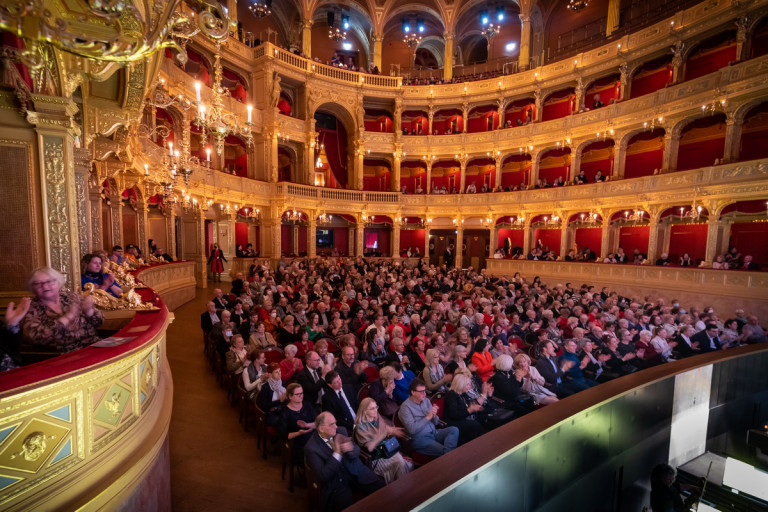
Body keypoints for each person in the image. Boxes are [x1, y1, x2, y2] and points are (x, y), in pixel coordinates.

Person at [304, 411, 384, 512]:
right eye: (332, 424)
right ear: (321, 428)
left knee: (383, 489)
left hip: (356, 472)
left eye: (335, 423)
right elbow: (323, 475)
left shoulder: (341, 430)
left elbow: (357, 450)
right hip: (337, 484)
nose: (336, 427)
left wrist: (351, 448)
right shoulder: (311, 448)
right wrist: (337, 452)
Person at [22, 267, 103, 355]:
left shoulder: (72, 297)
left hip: (94, 347)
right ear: (32, 287)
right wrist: (68, 317)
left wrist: (89, 311)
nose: (44, 286)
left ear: (58, 282)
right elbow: (37, 337)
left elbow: (99, 322)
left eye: (49, 282)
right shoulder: (30, 307)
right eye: (38, 283)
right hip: (62, 355)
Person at [353, 397, 413, 483]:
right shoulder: (360, 427)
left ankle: (404, 486)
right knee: (401, 462)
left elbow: (386, 429)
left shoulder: (377, 417)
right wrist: (384, 434)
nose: (375, 410)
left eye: (376, 407)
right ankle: (403, 487)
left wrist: (392, 430)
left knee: (404, 461)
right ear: (365, 411)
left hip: (386, 451)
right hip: (376, 458)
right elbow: (370, 447)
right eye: (372, 408)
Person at [397, 378, 459, 457]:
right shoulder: (405, 407)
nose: (424, 394)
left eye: (425, 391)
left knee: (454, 430)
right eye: (421, 392)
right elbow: (412, 429)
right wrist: (428, 417)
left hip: (434, 433)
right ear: (413, 392)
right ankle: (450, 456)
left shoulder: (426, 401)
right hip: (420, 438)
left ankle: (448, 455)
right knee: (445, 449)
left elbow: (436, 422)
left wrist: (434, 415)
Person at [443, 372, 488, 445]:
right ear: (461, 385)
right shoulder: (451, 395)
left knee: (483, 416)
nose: (470, 387)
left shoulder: (463, 394)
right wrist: (470, 410)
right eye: (468, 384)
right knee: (475, 425)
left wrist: (474, 408)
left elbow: (468, 408)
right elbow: (454, 415)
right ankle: (473, 445)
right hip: (453, 422)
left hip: (462, 418)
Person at [279, 383, 317, 466]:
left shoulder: (307, 405)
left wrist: (307, 425)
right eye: (297, 394)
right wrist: (298, 433)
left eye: (302, 393)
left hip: (314, 436)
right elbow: (283, 435)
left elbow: (318, 422)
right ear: (290, 396)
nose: (301, 396)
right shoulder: (285, 412)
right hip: (298, 442)